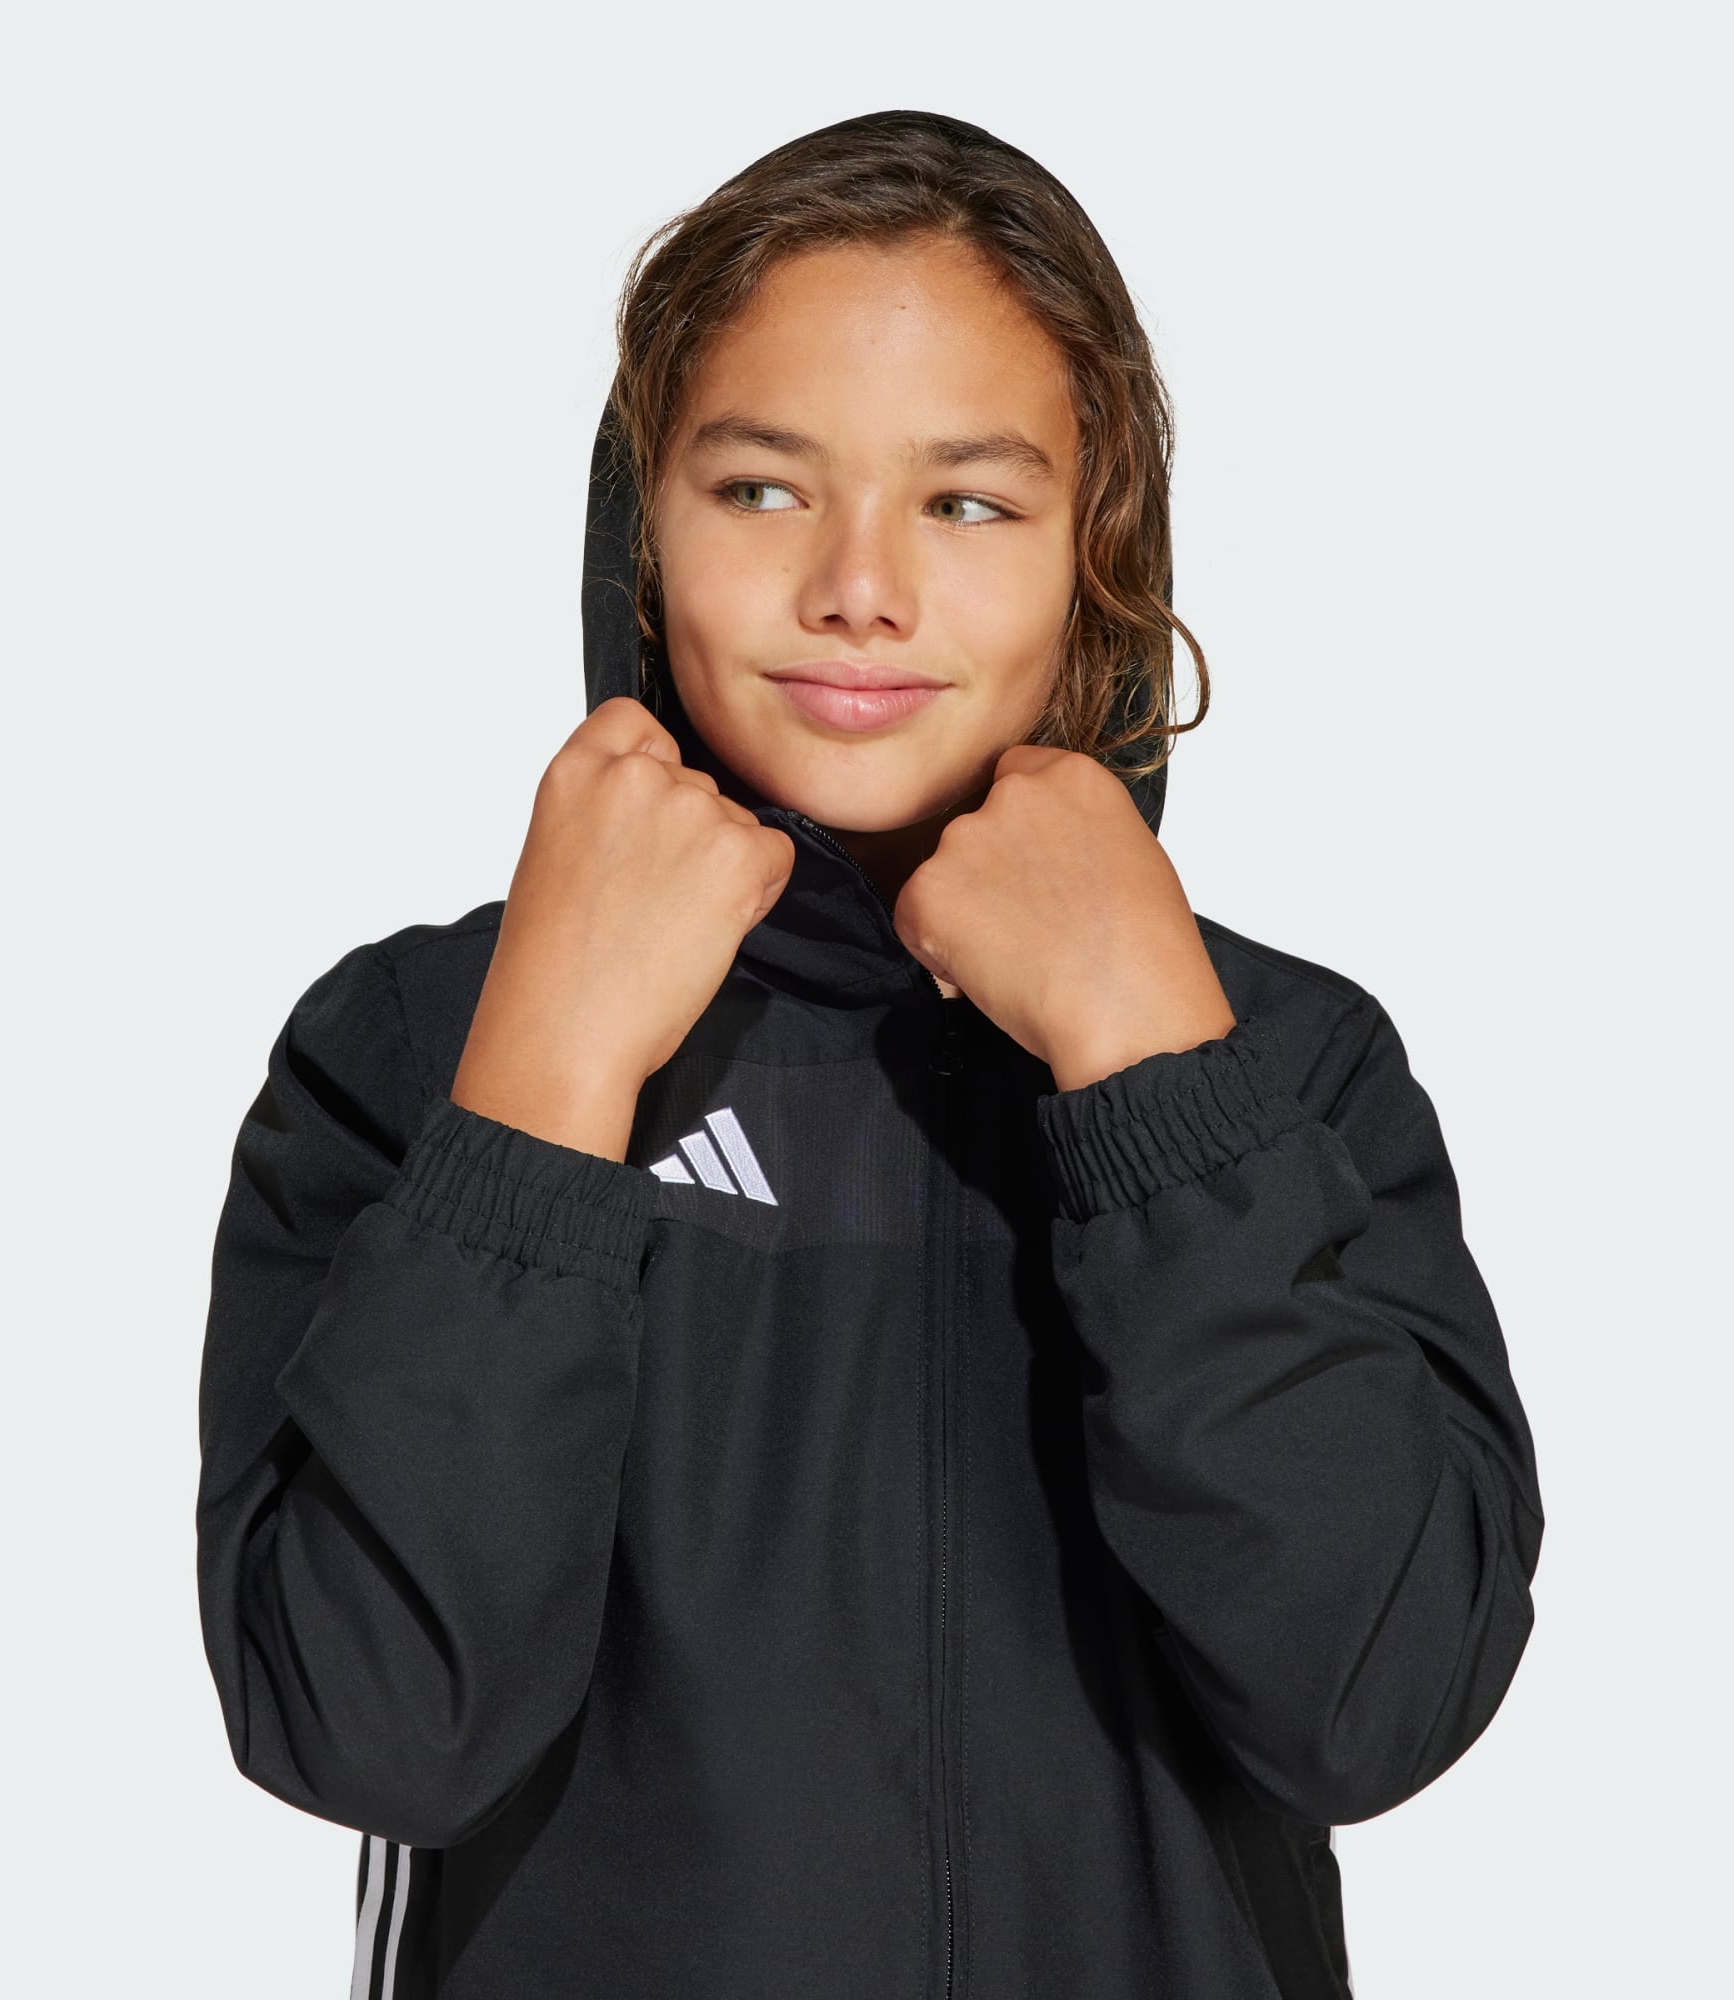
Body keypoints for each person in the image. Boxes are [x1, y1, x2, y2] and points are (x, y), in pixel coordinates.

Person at [195, 108, 1544, 2000]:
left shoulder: (1290, 1068)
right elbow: (373, 1729)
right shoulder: (418, 1047)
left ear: (1099, 556)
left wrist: (1155, 1081)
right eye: (761, 489)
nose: (859, 588)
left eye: (968, 503)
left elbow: (1374, 1700)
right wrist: (544, 1094)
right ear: (638, 536)